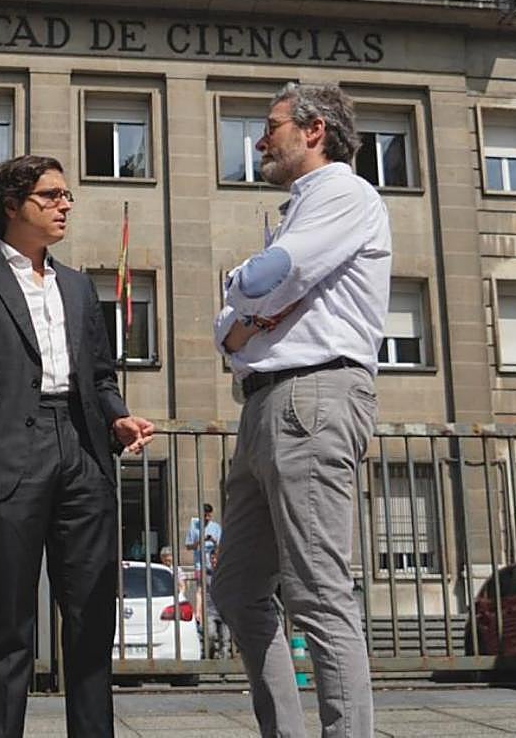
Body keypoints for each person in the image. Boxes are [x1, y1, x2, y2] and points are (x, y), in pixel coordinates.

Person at [0, 154, 155, 738]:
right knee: (7, 623)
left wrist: (119, 418)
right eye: (50, 196)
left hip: (82, 450)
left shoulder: (77, 286)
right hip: (2, 456)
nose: (65, 205)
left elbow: (100, 376)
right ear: (11, 206)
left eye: (67, 195)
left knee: (91, 619)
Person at [210, 83, 390, 738]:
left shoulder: (345, 193)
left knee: (318, 594)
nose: (261, 139)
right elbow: (226, 330)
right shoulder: (301, 210)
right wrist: (251, 309)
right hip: (265, 407)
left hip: (313, 396)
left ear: (313, 130)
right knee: (236, 591)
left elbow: (255, 285)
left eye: (272, 125)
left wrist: (246, 297)